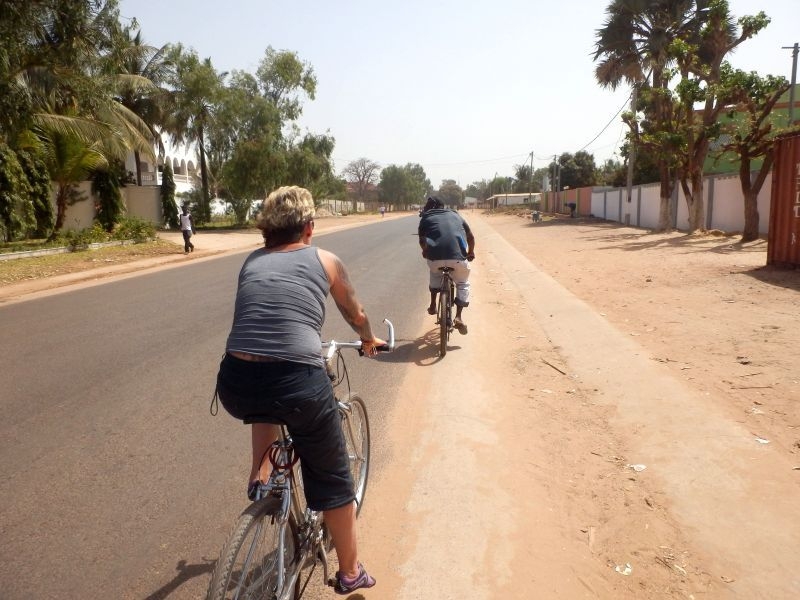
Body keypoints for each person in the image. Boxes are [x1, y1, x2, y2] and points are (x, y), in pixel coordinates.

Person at [215, 186, 384, 595]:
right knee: (333, 477)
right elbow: (355, 312)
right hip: (298, 383)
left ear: (267, 230)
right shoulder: (325, 260)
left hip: (234, 382)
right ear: (309, 228)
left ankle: (261, 477)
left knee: (265, 403)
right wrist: (367, 337)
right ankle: (350, 571)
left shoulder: (251, 262)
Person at [418, 196, 475, 334]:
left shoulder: (425, 218)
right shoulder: (456, 215)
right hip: (458, 259)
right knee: (462, 283)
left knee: (434, 273)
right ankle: (458, 317)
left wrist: (425, 251)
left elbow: (422, 239)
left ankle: (432, 306)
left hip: (435, 259)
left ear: (430, 208)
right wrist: (471, 252)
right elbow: (470, 237)